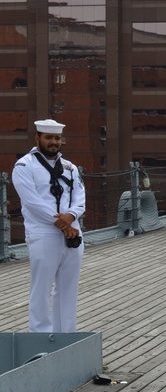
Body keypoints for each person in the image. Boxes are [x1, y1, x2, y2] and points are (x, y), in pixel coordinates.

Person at [12, 119, 86, 333]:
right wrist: (62, 224)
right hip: (43, 233)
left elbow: (80, 197)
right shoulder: (24, 166)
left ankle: (66, 335)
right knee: (41, 289)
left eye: (57, 138)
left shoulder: (70, 168)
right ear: (38, 138)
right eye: (49, 138)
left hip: (72, 232)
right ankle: (40, 336)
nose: (54, 142)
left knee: (68, 289)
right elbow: (32, 202)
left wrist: (71, 216)